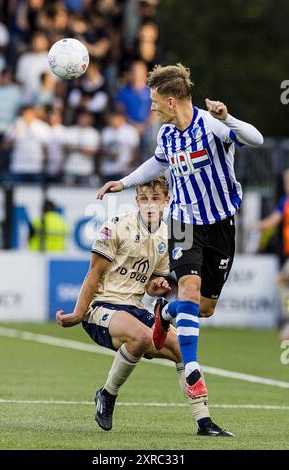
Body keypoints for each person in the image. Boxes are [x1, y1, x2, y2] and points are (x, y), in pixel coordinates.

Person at [97, 63, 264, 405]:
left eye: (155, 101)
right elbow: (157, 163)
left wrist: (228, 118)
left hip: (221, 224)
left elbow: (256, 139)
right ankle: (192, 370)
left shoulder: (212, 126)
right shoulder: (167, 135)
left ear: (172, 101)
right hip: (184, 222)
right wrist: (124, 182)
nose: (152, 108)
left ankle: (164, 314)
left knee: (204, 307)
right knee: (189, 288)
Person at [56, 176, 233, 437]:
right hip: (102, 307)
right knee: (140, 337)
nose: (150, 205)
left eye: (156, 199)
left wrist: (157, 286)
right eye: (145, 199)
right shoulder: (116, 227)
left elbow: (150, 283)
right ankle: (107, 395)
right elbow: (93, 274)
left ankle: (204, 422)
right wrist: (79, 312)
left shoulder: (169, 235)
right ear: (137, 200)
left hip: (135, 308)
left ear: (166, 202)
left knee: (182, 346)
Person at [252, 168, 289, 264]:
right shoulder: (285, 201)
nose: (286, 186)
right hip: (287, 248)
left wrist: (258, 225)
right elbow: (274, 219)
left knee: (282, 278)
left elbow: (274, 220)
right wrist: (260, 225)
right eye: (285, 182)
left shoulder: (285, 201)